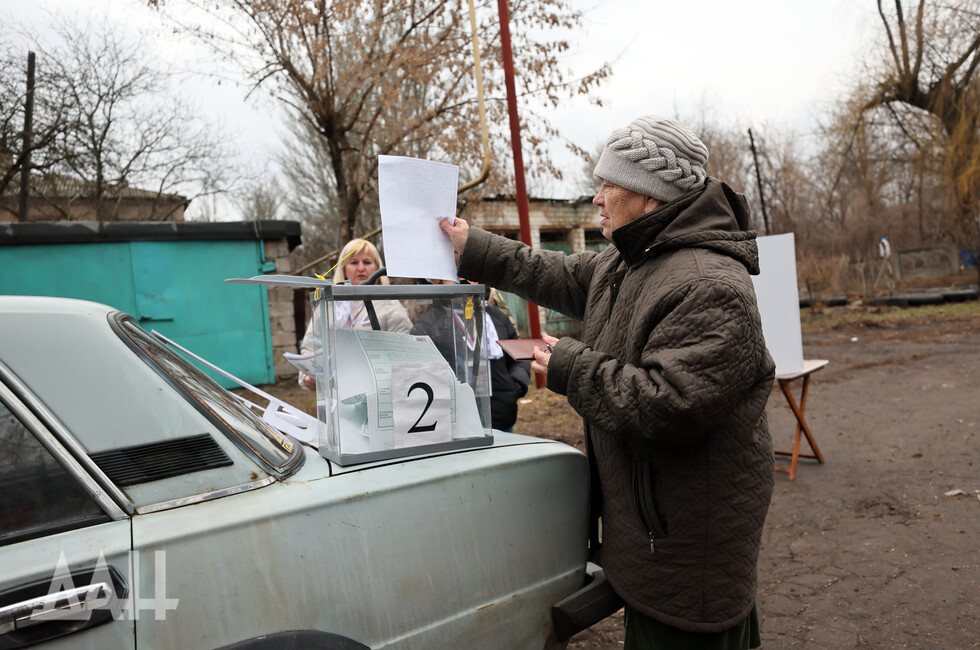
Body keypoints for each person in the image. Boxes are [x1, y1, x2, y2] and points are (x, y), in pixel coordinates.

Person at [440, 115, 775, 648]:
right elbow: (549, 271)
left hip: (688, 554)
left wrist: (570, 365)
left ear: (648, 196)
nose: (595, 198)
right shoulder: (630, 262)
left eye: (607, 185)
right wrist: (471, 246)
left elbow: (671, 405)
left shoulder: (707, 282)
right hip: (653, 536)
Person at [410, 280, 530, 432]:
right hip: (453, 424)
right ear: (440, 281)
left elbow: (518, 357)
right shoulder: (429, 324)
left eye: (471, 275)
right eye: (456, 275)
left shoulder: (496, 316)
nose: (466, 280)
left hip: (500, 416)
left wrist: (516, 382)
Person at [297, 238, 412, 389]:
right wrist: (306, 376)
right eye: (353, 263)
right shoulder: (327, 306)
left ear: (378, 268)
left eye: (367, 262)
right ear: (343, 269)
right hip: (334, 398)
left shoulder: (392, 307)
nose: (361, 268)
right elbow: (309, 348)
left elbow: (405, 356)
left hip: (378, 395)